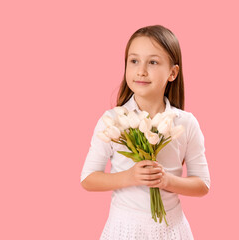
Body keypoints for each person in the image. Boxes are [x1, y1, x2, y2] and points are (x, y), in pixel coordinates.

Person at [80, 25, 210, 240]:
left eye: (153, 62)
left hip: (171, 229)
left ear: (172, 72)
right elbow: (88, 178)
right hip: (123, 228)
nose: (141, 70)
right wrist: (129, 177)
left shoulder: (185, 123)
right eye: (134, 61)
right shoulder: (112, 120)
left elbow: (202, 184)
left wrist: (167, 180)